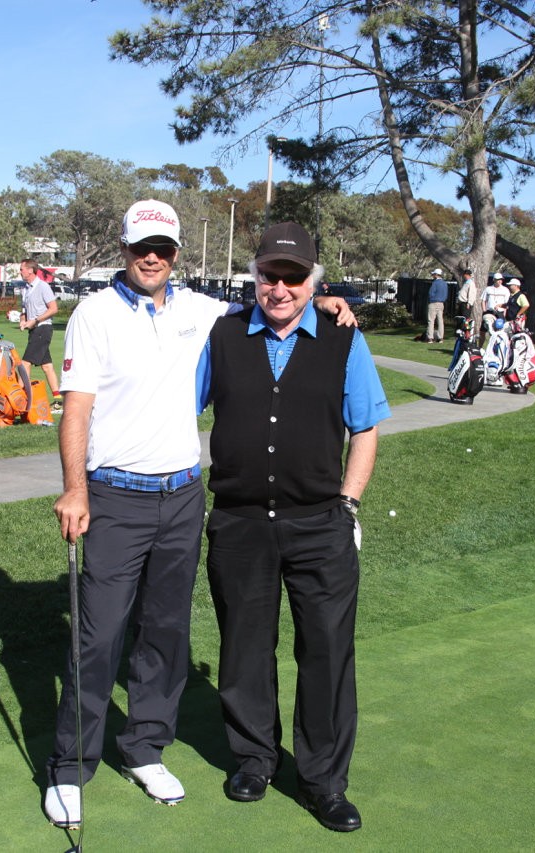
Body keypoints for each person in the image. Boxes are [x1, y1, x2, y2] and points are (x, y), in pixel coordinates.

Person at [45, 200, 355, 829]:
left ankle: (145, 748)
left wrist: (326, 301)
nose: (150, 257)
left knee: (166, 633)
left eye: (161, 247)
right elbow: (75, 409)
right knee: (100, 634)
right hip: (115, 493)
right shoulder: (95, 314)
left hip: (185, 495)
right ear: (124, 249)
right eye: (140, 247)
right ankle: (71, 765)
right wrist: (74, 488)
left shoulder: (204, 313)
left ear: (178, 252)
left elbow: (276, 310)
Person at [198, 221, 390, 833]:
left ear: (315, 280)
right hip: (239, 521)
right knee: (245, 648)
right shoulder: (224, 333)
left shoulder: (342, 337)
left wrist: (350, 502)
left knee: (328, 653)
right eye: (269, 276)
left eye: (293, 278)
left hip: (320, 524)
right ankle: (254, 760)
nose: (279, 289)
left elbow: (365, 427)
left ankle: (323, 781)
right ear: (254, 275)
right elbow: (181, 405)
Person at [17, 259, 62, 411]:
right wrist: (23, 321)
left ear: (30, 270)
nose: (20, 272)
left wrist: (35, 320)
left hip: (43, 329)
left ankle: (22, 400)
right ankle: (58, 401)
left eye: (21, 269)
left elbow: (53, 308)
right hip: (34, 330)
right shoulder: (25, 289)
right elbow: (24, 310)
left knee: (25, 364)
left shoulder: (43, 286)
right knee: (47, 367)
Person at [480, 271, 509, 344]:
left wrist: (504, 313)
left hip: (500, 312)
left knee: (499, 331)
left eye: (501, 279)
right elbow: (483, 300)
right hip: (489, 312)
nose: (500, 281)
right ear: (494, 280)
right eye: (498, 279)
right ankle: (479, 347)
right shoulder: (488, 289)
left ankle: (497, 348)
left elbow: (506, 303)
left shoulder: (505, 290)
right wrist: (484, 310)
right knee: (482, 331)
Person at [426, 267, 449, 343]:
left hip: (433, 302)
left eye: (433, 274)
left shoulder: (435, 283)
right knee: (440, 320)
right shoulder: (444, 283)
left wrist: (431, 299)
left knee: (431, 320)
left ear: (436, 275)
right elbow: (446, 294)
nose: (433, 276)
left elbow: (430, 293)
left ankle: (430, 337)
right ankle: (440, 337)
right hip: (441, 303)